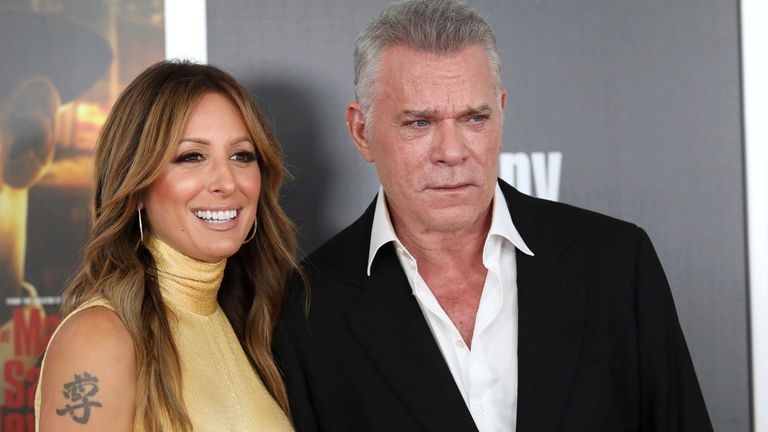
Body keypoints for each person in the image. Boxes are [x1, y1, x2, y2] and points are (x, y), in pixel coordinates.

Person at [273, 1, 713, 431]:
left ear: (501, 114)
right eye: (419, 123)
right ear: (361, 131)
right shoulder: (306, 307)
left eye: (474, 118)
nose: (451, 152)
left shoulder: (616, 262)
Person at [35, 61, 298, 432]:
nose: (226, 182)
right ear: (138, 185)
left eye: (241, 155)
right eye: (191, 157)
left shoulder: (247, 326)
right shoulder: (99, 337)